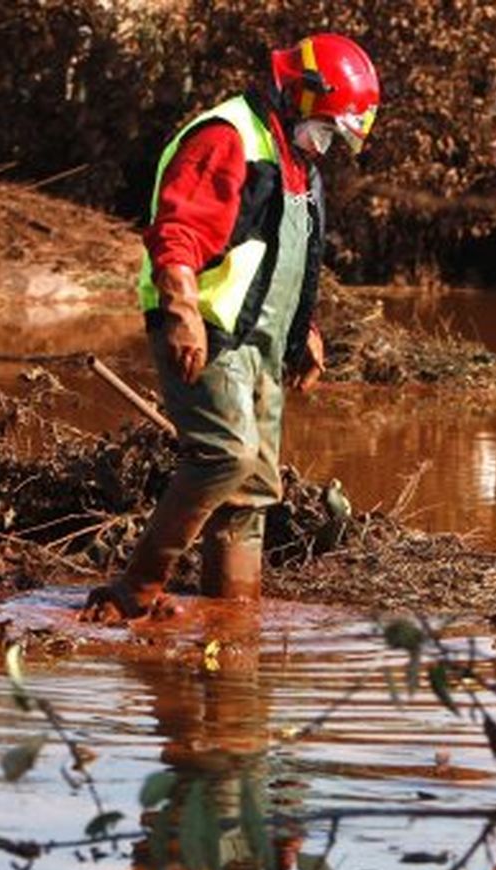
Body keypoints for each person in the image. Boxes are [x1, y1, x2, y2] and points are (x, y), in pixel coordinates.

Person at [83, 33, 381, 622]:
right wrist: (182, 313)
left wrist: (305, 332)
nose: (327, 145)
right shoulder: (228, 137)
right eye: (327, 127)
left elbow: (287, 256)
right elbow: (177, 235)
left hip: (263, 346)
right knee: (226, 456)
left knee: (252, 494)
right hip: (210, 334)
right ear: (299, 94)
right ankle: (134, 591)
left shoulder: (299, 163)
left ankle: (233, 617)